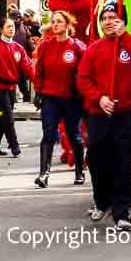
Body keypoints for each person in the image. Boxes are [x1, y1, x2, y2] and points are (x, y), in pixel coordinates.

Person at [77, 3, 131, 231]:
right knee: (97, 159)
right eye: (105, 18)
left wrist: (126, 38)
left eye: (114, 18)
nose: (109, 22)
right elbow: (83, 79)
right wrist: (99, 98)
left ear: (123, 22)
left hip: (129, 114)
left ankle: (123, 211)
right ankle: (102, 201)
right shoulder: (94, 49)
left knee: (124, 161)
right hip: (99, 114)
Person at [32, 10, 86, 189]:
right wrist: (39, 92)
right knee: (48, 134)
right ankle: (44, 174)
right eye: (53, 21)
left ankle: (80, 171)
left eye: (59, 21)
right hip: (50, 98)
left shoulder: (77, 46)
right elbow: (39, 71)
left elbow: (85, 72)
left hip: (72, 99)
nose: (55, 24)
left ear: (67, 24)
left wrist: (81, 91)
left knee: (74, 135)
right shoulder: (46, 46)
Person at [0, 18, 33, 158]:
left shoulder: (18, 48)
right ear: (1, 29)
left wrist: (38, 81)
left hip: (12, 88)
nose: (11, 29)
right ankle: (15, 147)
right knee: (8, 118)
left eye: (13, 26)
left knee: (2, 119)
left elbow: (27, 67)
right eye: (8, 26)